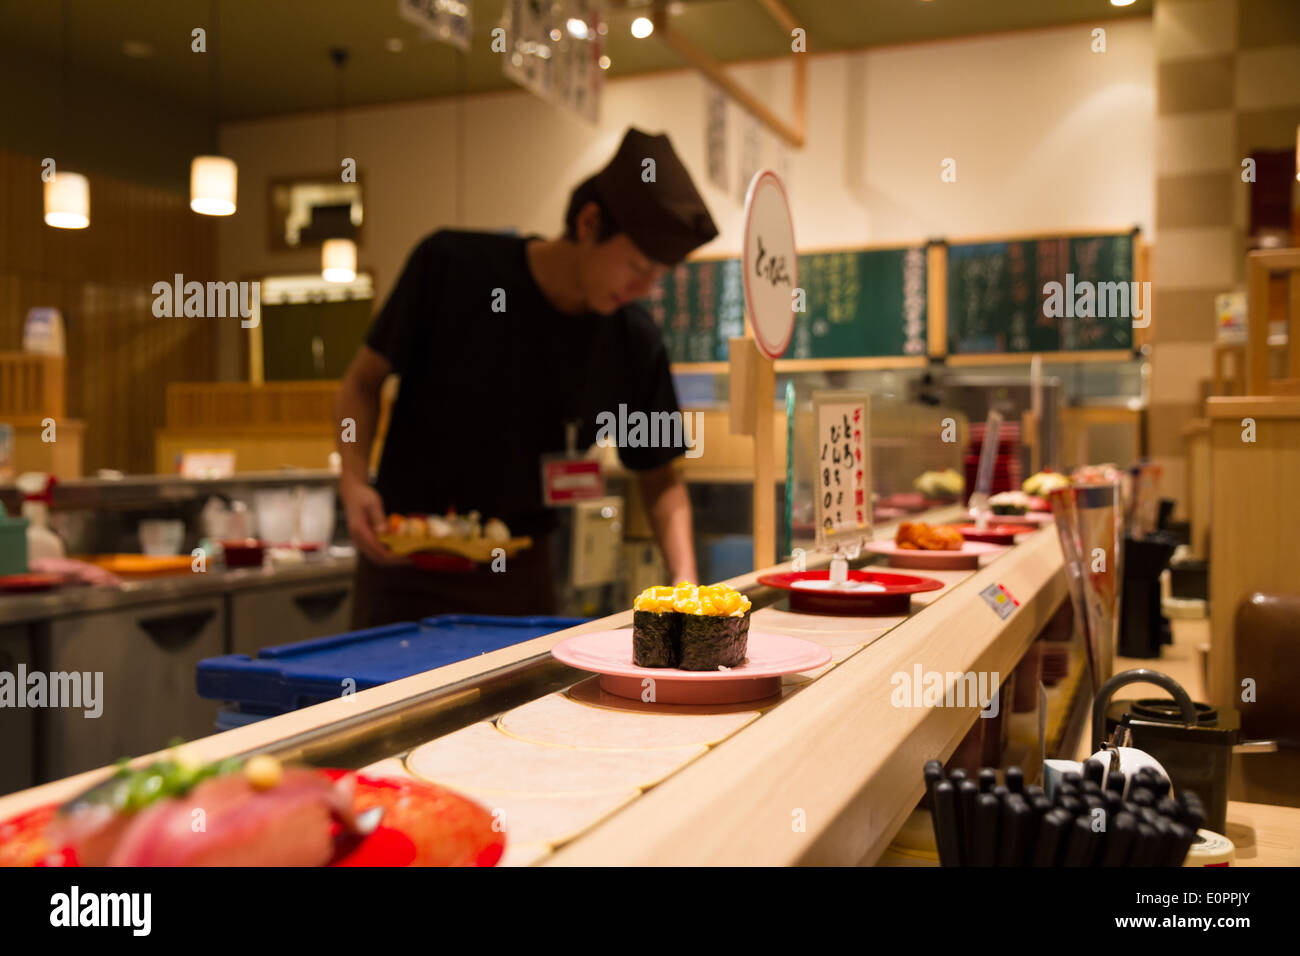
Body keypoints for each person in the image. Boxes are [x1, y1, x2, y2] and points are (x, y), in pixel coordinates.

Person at [336, 128, 719, 628]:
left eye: (658, 277)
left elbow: (660, 474)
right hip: (405, 566)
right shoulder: (451, 267)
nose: (645, 288)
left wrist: (685, 587)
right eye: (637, 267)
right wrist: (351, 478)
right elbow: (361, 384)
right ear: (588, 223)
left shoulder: (634, 339)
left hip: (520, 581)